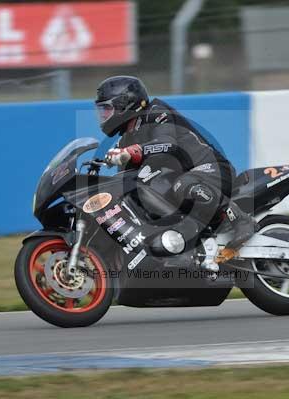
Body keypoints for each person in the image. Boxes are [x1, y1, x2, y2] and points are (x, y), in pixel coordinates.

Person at [94, 76, 256, 269]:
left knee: (183, 183)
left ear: (124, 104)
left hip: (212, 169)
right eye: (102, 110)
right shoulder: (126, 139)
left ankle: (241, 220)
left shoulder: (157, 112)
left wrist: (132, 152)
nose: (104, 116)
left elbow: (168, 144)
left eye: (107, 109)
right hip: (183, 181)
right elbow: (124, 180)